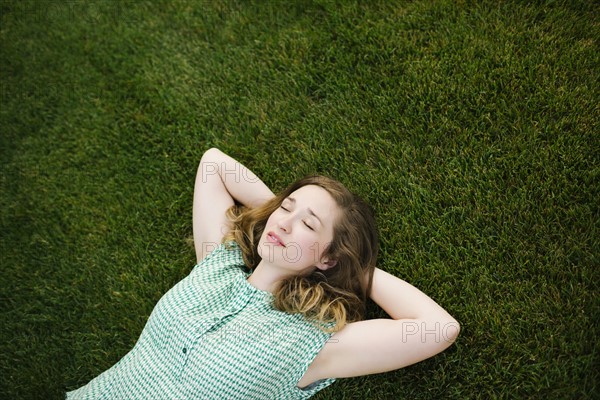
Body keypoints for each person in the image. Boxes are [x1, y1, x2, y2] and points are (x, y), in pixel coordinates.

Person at [67, 148, 460, 399]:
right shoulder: (217, 265)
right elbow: (214, 164)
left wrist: (356, 269)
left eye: (309, 226)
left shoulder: (308, 345)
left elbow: (438, 328)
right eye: (286, 207)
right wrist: (275, 210)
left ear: (328, 259)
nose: (285, 224)